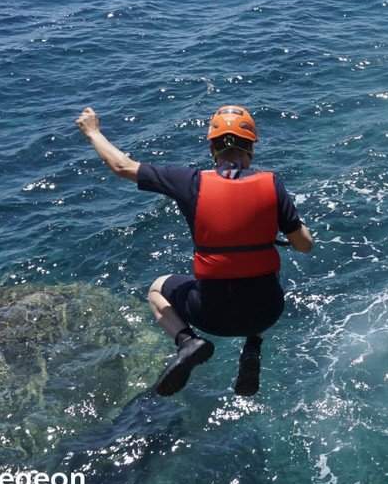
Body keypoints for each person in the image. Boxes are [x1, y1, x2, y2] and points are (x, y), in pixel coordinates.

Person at [76, 104, 313, 397]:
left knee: (157, 288)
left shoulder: (191, 182)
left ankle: (188, 342)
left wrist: (93, 132)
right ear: (250, 148)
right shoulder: (272, 185)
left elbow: (123, 167)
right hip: (266, 313)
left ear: (212, 150)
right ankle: (252, 348)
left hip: (210, 316)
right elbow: (304, 245)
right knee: (263, 273)